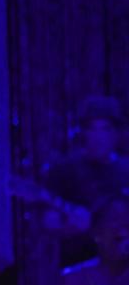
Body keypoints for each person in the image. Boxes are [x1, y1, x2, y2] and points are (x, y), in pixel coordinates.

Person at [44, 96, 129, 267]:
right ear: (83, 132)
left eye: (105, 129)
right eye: (92, 129)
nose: (98, 137)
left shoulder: (125, 169)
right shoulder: (65, 170)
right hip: (79, 267)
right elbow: (49, 222)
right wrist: (71, 226)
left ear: (116, 134)